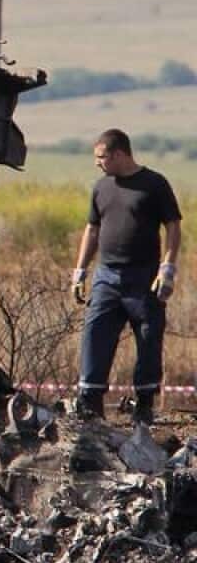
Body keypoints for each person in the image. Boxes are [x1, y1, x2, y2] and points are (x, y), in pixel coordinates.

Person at [70, 129, 182, 424]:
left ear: (119, 154)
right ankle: (90, 404)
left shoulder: (154, 184)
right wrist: (80, 271)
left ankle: (143, 405)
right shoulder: (101, 187)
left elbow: (172, 226)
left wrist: (167, 269)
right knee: (95, 335)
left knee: (148, 338)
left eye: (101, 157)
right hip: (106, 276)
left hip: (143, 277)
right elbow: (92, 229)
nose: (97, 163)